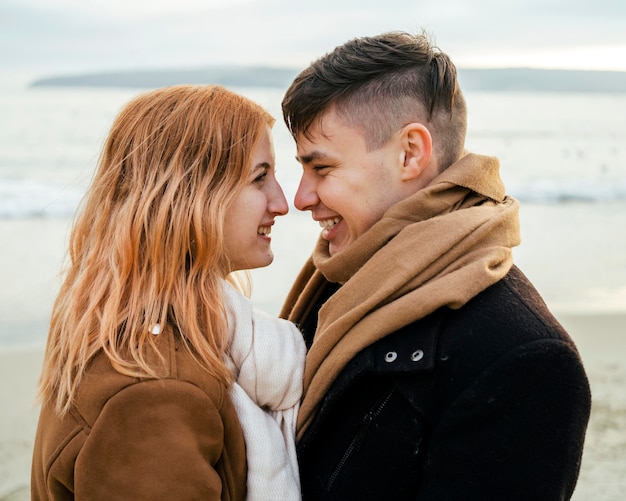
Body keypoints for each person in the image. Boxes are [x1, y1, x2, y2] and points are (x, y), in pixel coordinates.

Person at [279, 31, 592, 500]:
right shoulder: (345, 281)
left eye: (321, 169)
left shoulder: (525, 360)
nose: (300, 199)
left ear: (410, 153)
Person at [31, 84, 305, 500]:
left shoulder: (123, 327)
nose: (282, 203)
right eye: (260, 178)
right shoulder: (155, 393)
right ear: (192, 196)